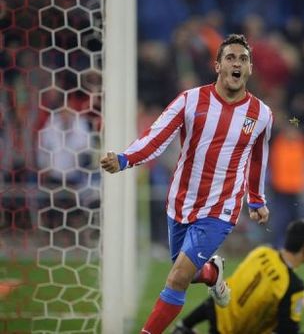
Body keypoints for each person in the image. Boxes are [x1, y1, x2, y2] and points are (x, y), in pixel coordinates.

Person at [100, 34, 273, 334]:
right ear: (217, 65)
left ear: (250, 69)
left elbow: (257, 159)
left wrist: (256, 200)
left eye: (243, 59)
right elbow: (157, 135)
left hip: (221, 209)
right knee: (188, 273)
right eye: (230, 58)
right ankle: (212, 273)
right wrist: (126, 158)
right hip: (181, 202)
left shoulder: (261, 115)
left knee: (178, 277)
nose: (236, 63)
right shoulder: (191, 100)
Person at [171, 219, 304, 334]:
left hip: (217, 317)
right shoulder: (293, 286)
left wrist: (186, 324)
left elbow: (229, 290)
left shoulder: (261, 252)